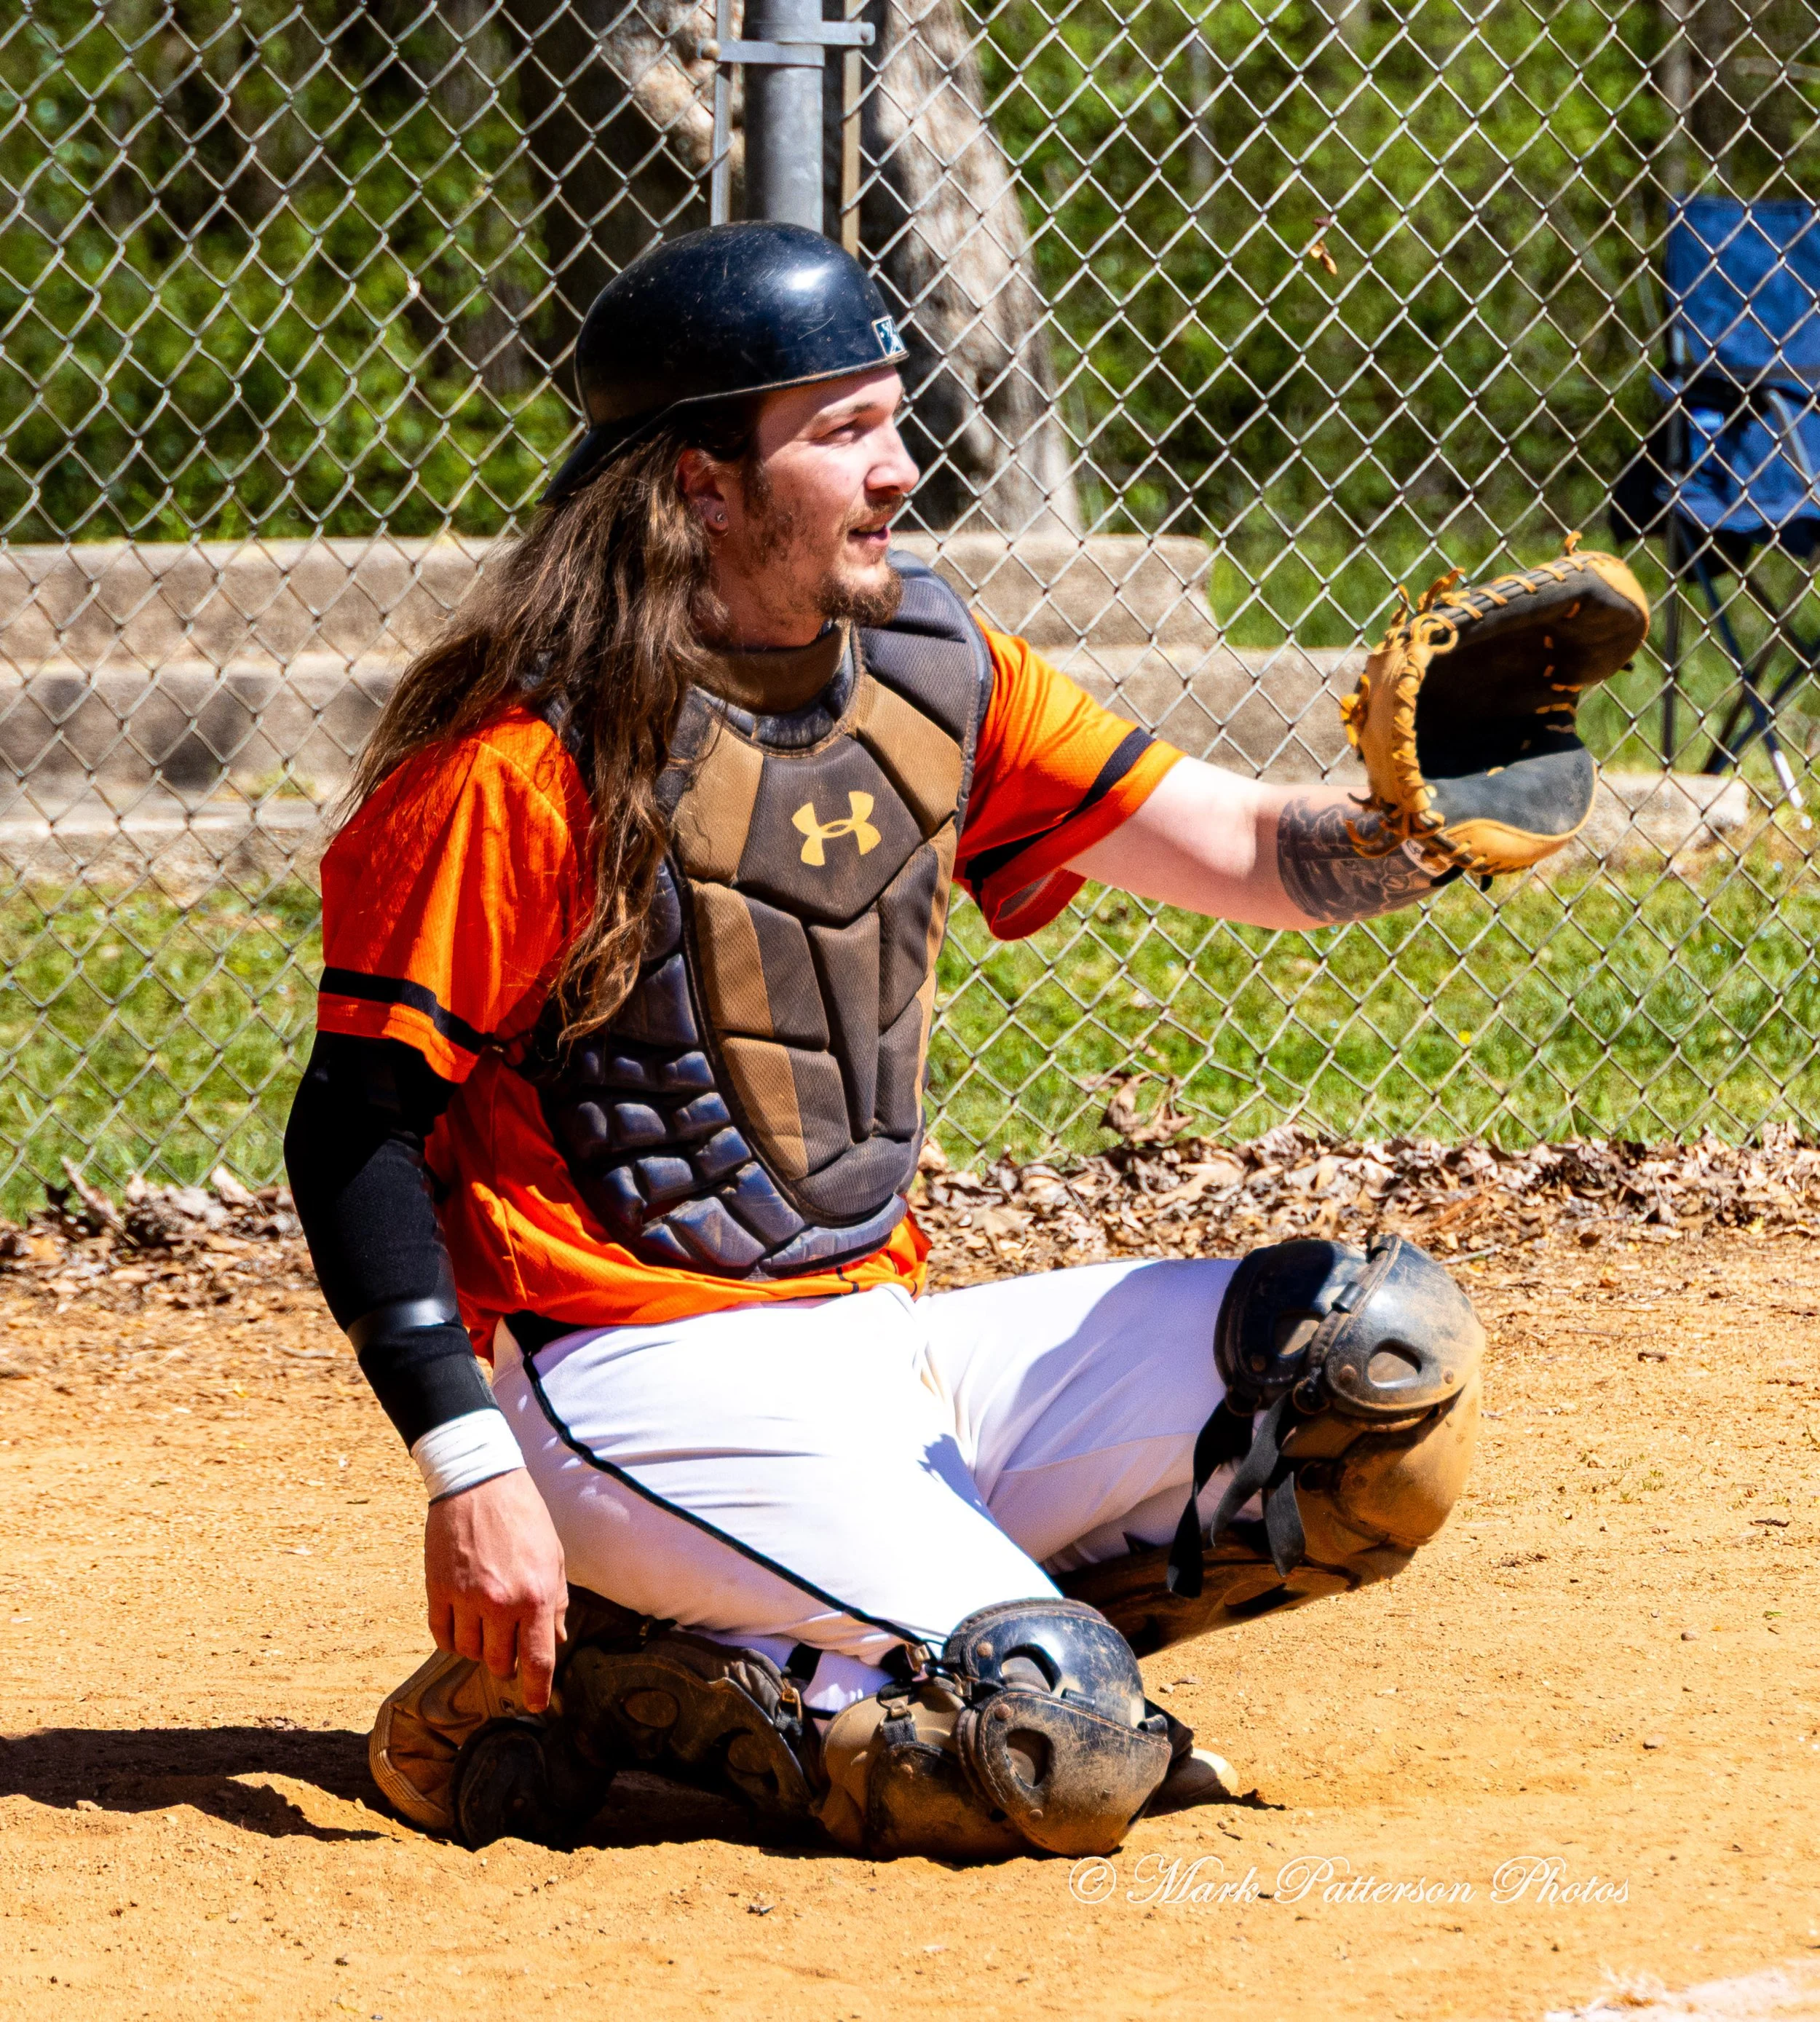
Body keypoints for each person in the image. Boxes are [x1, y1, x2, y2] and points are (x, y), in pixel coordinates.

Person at [284, 221, 1645, 1860]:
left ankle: (799, 1648)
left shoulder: (934, 671)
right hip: (623, 1386)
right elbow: (352, 1129)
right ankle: (657, 1678)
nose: (900, 469)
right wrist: (463, 1465)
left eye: (893, 416)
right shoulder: (521, 763)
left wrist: (1411, 833)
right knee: (1059, 1748)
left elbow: (1231, 844)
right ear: (701, 482)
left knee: (1370, 1360)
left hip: (879, 1344)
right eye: (842, 430)